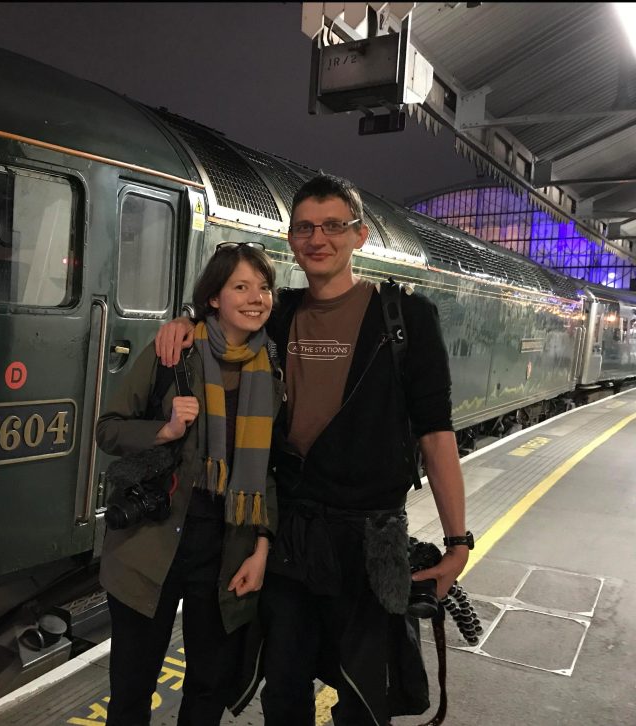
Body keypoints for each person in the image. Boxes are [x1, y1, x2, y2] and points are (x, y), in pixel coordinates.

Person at [154, 172, 470, 726]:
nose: (317, 238)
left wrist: (457, 542)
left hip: (370, 537)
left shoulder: (407, 319)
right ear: (292, 240)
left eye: (332, 226)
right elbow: (220, 316)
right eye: (304, 227)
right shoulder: (276, 313)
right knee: (284, 692)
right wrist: (184, 321)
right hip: (290, 533)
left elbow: (436, 434)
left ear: (360, 236)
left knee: (365, 699)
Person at [96, 242, 284, 726]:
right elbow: (109, 429)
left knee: (207, 690)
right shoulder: (172, 353)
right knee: (131, 695)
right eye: (240, 286)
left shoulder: (273, 367)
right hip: (152, 546)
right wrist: (163, 431)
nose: (255, 297)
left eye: (263, 287)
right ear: (214, 298)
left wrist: (262, 548)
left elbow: (268, 471)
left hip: (227, 552)